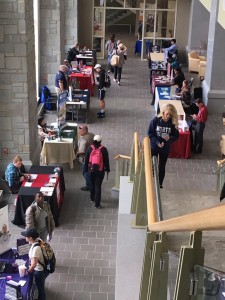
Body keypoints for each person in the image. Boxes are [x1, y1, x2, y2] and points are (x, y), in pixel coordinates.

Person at [148, 104, 179, 188]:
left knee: (162, 166)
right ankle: (150, 179)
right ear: (163, 112)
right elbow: (150, 134)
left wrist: (170, 138)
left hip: (165, 148)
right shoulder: (156, 120)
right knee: (152, 164)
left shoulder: (172, 123)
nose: (168, 116)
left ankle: (159, 184)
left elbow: (176, 136)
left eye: (170, 115)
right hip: (155, 146)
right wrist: (157, 142)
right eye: (167, 114)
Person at [21, 228, 48, 300]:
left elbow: (34, 264)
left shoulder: (36, 250)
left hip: (39, 271)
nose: (25, 237)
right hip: (43, 268)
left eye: (26, 236)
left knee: (40, 288)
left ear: (30, 238)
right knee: (41, 284)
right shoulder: (39, 240)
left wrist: (28, 271)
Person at [84, 135, 110, 209]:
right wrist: (107, 169)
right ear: (100, 141)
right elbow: (106, 161)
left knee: (92, 184)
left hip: (91, 170)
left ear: (93, 140)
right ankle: (97, 204)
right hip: (100, 170)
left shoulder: (89, 148)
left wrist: (86, 169)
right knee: (98, 186)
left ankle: (92, 198)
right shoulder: (104, 149)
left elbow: (86, 160)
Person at [77, 125, 94, 191]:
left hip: (86, 158)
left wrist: (76, 154)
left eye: (80, 130)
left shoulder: (83, 140)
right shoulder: (92, 135)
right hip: (93, 156)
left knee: (85, 172)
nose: (79, 132)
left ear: (85, 131)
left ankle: (89, 185)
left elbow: (81, 151)